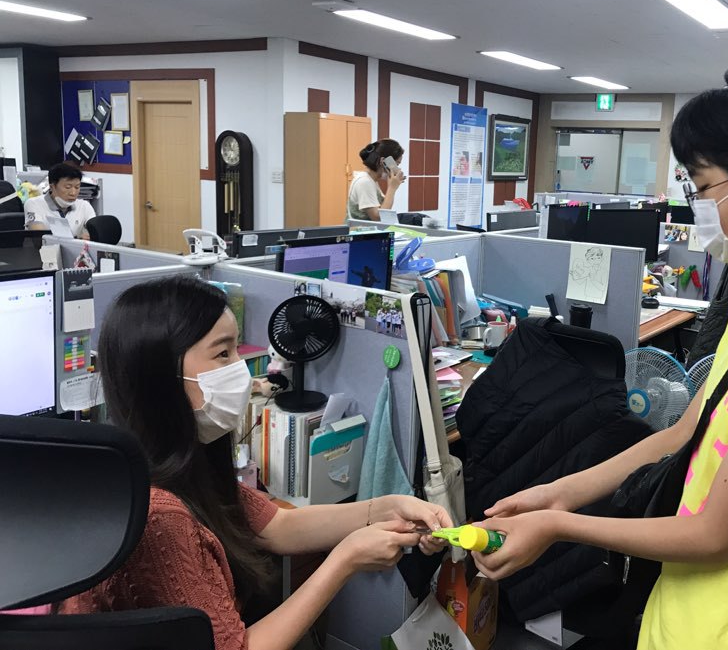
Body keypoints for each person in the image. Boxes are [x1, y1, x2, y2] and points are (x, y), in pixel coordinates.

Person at [470, 58, 728, 650]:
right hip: (691, 606)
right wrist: (556, 493)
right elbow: (684, 432)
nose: (698, 205)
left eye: (704, 186)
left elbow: (714, 534)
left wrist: (558, 525)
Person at [59, 275, 451, 650]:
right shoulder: (159, 516)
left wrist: (386, 508)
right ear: (161, 374)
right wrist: (345, 560)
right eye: (223, 353)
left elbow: (278, 526)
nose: (243, 373)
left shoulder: (185, 462)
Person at [24, 162, 96, 239]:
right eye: (68, 187)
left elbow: (95, 232)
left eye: (77, 187)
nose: (73, 193)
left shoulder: (84, 206)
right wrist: (77, 239)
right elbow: (39, 236)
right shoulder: (34, 204)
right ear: (52, 187)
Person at [348, 139, 405, 221]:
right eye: (396, 164)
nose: (397, 169)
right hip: (362, 229)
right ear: (383, 161)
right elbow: (378, 217)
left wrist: (392, 186)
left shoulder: (372, 180)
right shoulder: (364, 181)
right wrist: (392, 188)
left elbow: (384, 212)